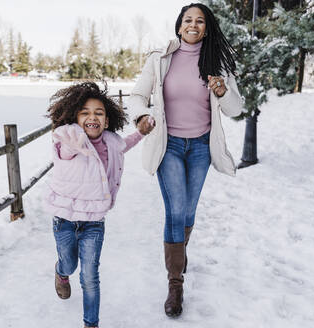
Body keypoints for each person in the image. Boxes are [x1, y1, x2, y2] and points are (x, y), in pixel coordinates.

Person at [128, 2, 244, 318]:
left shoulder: (217, 62)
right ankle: (175, 283)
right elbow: (137, 96)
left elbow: (235, 109)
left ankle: (178, 253)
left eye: (200, 21)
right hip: (170, 146)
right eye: (188, 20)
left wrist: (222, 91)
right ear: (179, 25)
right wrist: (141, 116)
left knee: (189, 210)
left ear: (207, 28)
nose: (194, 25)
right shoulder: (161, 59)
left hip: (202, 148)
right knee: (176, 210)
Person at [45, 82, 154, 328]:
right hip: (65, 220)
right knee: (69, 264)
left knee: (90, 276)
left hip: (94, 221)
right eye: (84, 112)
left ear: (107, 121)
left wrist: (142, 132)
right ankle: (61, 272)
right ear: (74, 117)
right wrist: (73, 137)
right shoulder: (68, 141)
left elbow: (125, 145)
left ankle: (90, 323)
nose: (92, 117)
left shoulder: (111, 143)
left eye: (98, 113)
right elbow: (66, 148)